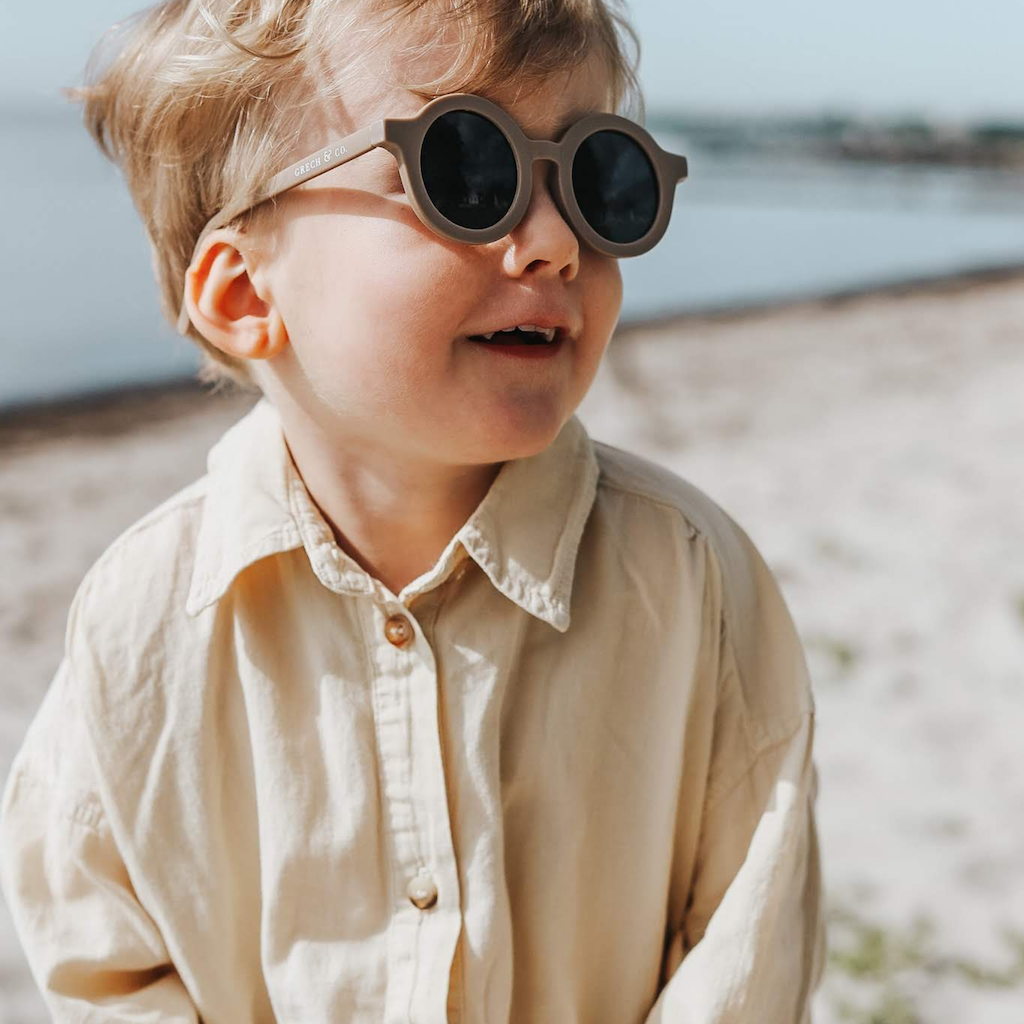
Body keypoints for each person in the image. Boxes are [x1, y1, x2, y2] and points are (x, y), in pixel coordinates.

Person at [0, 1, 825, 1021]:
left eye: (598, 179)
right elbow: (99, 955)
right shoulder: (141, 618)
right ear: (248, 293)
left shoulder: (694, 581)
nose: (555, 242)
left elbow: (746, 949)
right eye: (466, 172)